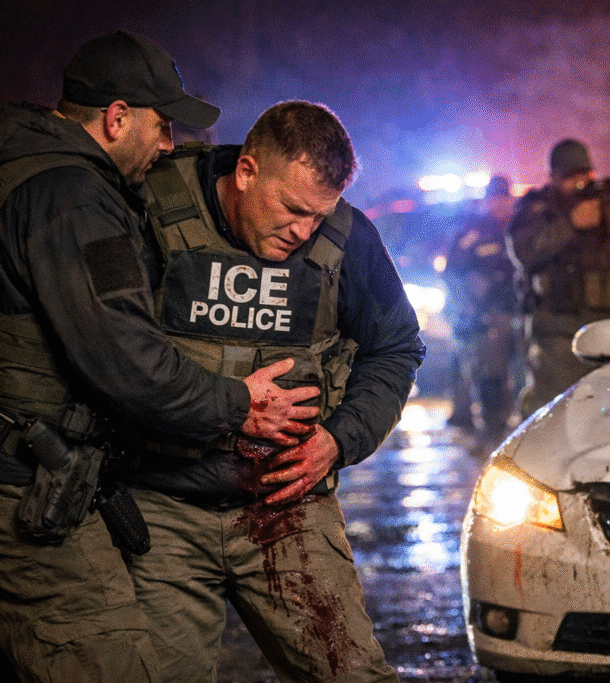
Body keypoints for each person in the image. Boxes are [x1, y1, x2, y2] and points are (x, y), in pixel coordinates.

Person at [0, 31, 318, 683]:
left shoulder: (20, 163)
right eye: (161, 123)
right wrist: (239, 404)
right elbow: (124, 359)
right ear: (117, 118)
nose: (169, 143)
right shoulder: (71, 195)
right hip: (24, 486)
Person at [125, 100, 425, 683]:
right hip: (159, 506)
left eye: (318, 215)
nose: (302, 231)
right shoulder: (152, 209)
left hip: (287, 504)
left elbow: (397, 347)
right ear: (246, 171)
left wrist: (338, 441)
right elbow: (111, 349)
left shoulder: (346, 237)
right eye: (291, 209)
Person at [507, 138, 610, 417]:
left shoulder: (608, 205)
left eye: (584, 173)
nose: (580, 182)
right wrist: (570, 225)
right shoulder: (539, 209)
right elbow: (523, 250)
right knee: (553, 413)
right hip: (558, 330)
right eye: (570, 177)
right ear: (553, 178)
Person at [442, 175, 520, 456]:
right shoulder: (473, 233)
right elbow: (453, 274)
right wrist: (471, 308)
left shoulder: (519, 227)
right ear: (488, 201)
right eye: (495, 199)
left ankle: (513, 433)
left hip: (521, 312)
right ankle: (491, 434)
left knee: (521, 378)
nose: (500, 204)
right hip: (488, 316)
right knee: (490, 377)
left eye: (504, 198)